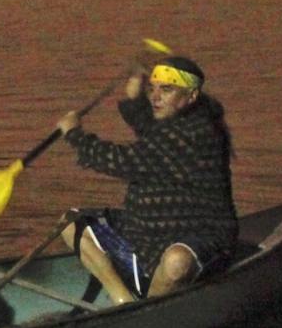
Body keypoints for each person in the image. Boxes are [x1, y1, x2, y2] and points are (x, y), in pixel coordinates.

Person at [55, 53, 237, 304]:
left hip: (198, 237)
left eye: (166, 90)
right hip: (144, 236)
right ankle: (123, 300)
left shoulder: (197, 134)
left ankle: (147, 313)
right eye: (152, 89)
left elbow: (121, 161)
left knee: (176, 262)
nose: (155, 97)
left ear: (191, 96)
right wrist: (134, 94)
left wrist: (74, 134)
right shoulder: (174, 124)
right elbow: (149, 125)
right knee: (70, 222)